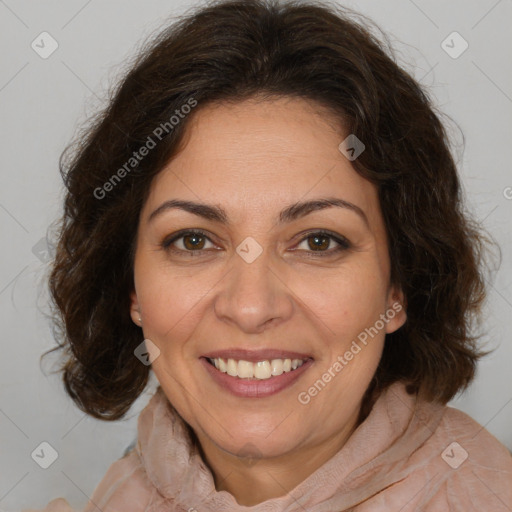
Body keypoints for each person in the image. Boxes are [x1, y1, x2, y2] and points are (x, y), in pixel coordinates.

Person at [27, 0, 512, 510]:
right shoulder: (116, 494)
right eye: (194, 240)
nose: (251, 307)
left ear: (398, 288)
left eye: (318, 241)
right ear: (131, 286)